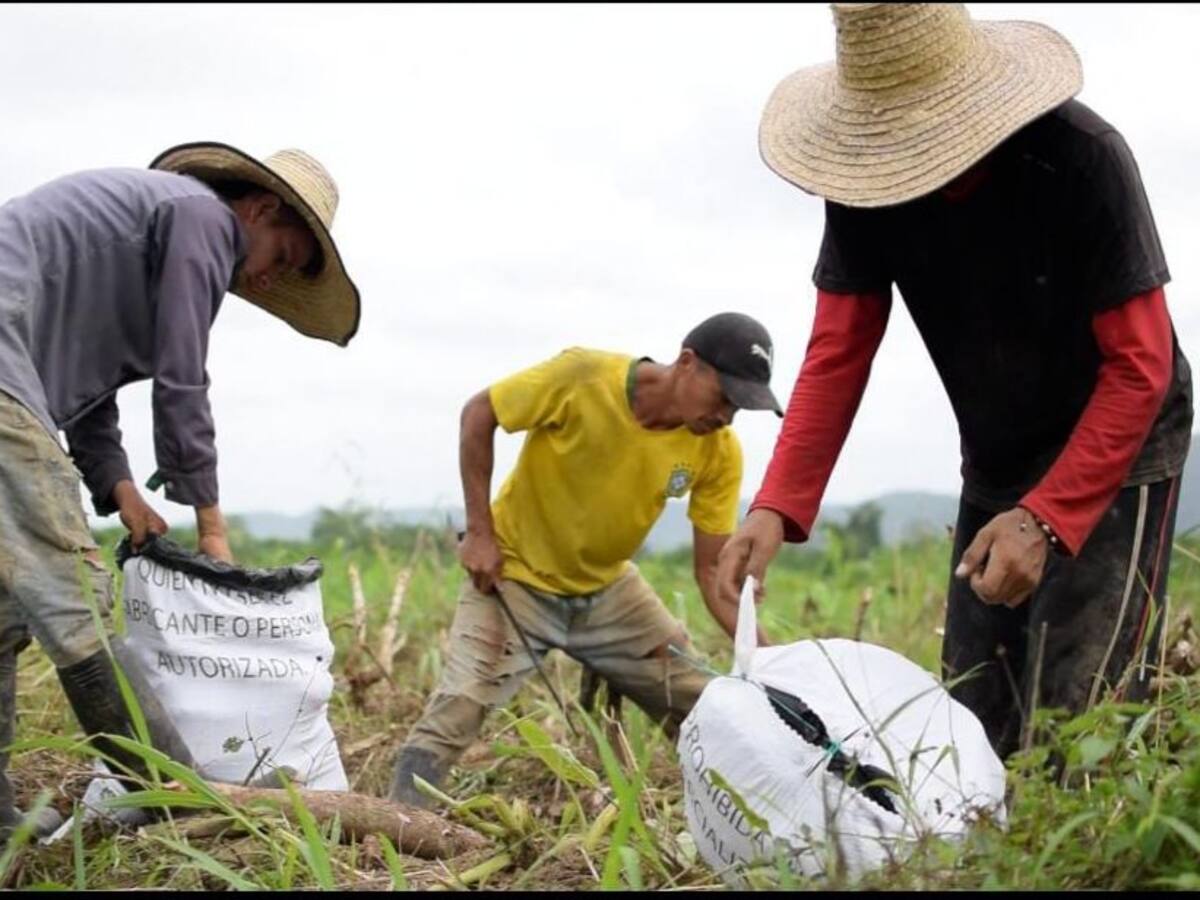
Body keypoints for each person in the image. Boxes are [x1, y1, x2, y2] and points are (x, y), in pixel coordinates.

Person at [717, 3, 1192, 759]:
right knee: (970, 722)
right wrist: (774, 508)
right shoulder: (866, 182)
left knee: (1083, 720)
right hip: (999, 447)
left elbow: (1141, 365)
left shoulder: (1082, 158)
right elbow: (838, 350)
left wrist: (1044, 519)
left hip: (1121, 441)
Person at [0, 141, 360, 831]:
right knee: (72, 591)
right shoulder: (200, 217)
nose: (264, 281)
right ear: (260, 208)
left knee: (3, 613)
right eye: (282, 258)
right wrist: (212, 526)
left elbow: (82, 388)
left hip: (15, 377)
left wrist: (120, 487)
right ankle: (174, 801)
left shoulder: (152, 235)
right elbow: (182, 375)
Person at [389, 313, 783, 807]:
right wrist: (480, 533)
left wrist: (775, 664)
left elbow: (710, 571)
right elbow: (478, 414)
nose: (726, 416)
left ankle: (750, 810)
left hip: (611, 596)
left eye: (739, 408)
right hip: (514, 577)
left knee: (701, 700)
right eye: (724, 397)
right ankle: (401, 820)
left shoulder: (719, 451)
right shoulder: (582, 377)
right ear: (686, 364)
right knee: (460, 704)